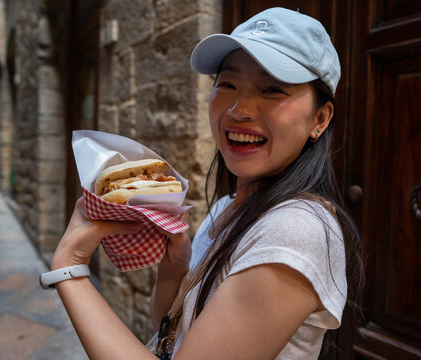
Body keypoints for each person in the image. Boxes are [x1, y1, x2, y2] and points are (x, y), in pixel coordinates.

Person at [48, 7, 363, 360]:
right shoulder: (225, 207)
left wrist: (70, 269)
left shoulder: (296, 231)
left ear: (320, 118)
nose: (239, 109)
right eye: (227, 84)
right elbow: (170, 328)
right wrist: (175, 269)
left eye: (273, 89)